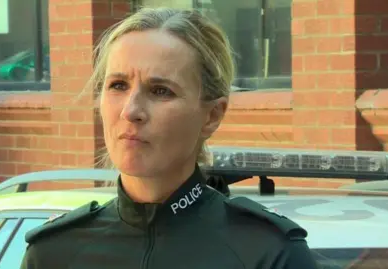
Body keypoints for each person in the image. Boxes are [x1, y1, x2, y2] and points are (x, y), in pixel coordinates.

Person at [20, 7, 318, 269]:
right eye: (118, 85)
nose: (131, 111)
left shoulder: (267, 253)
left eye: (161, 91)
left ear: (212, 115)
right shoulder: (53, 253)